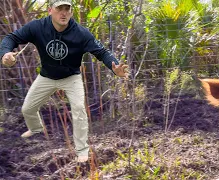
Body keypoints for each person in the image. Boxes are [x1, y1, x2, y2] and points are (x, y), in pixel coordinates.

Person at [0, 0, 128, 163]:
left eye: (67, 9)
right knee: (27, 109)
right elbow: (12, 38)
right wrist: (5, 53)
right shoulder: (37, 27)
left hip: (71, 78)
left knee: (79, 109)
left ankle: (82, 150)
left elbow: (101, 52)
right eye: (59, 8)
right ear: (50, 11)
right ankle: (36, 129)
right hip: (46, 77)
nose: (63, 13)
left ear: (71, 12)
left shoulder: (81, 33)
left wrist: (114, 66)